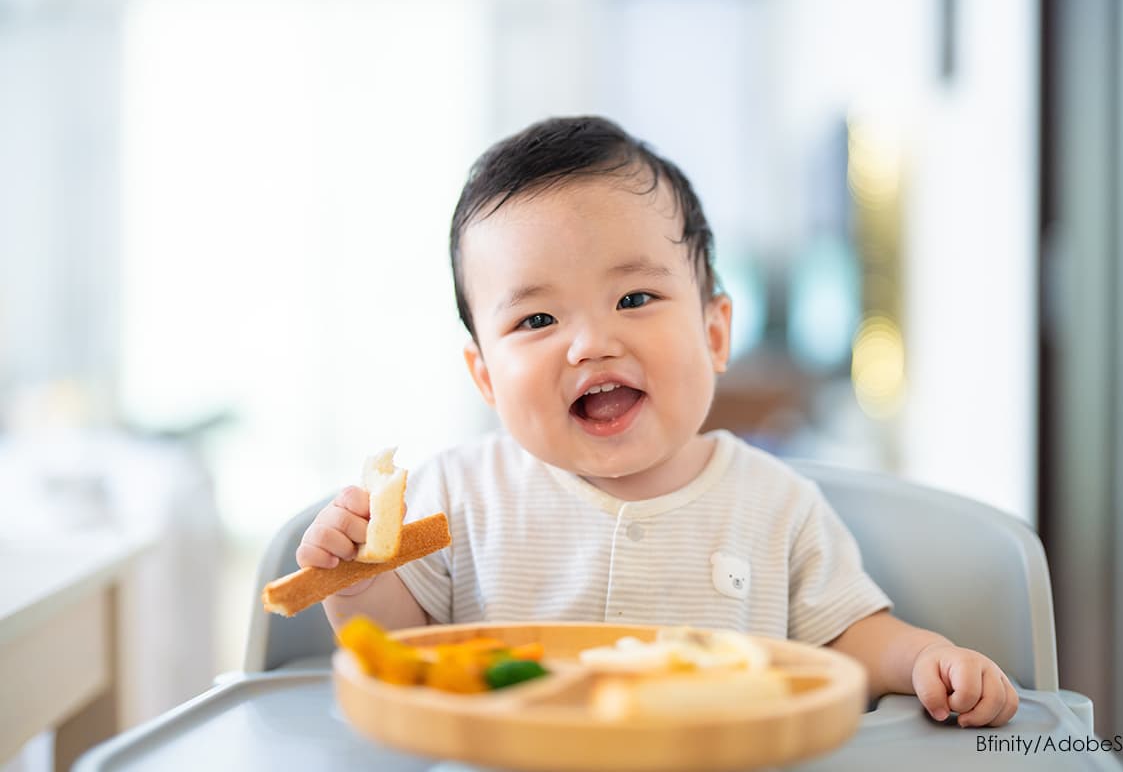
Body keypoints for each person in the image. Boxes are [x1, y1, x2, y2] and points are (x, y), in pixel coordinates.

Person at [296, 116, 1018, 727]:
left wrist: (924, 658)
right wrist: (358, 586)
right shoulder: (455, 496)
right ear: (485, 375)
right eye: (538, 319)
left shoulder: (776, 505)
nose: (591, 344)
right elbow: (404, 657)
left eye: (634, 299)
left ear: (714, 332)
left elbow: (848, 638)